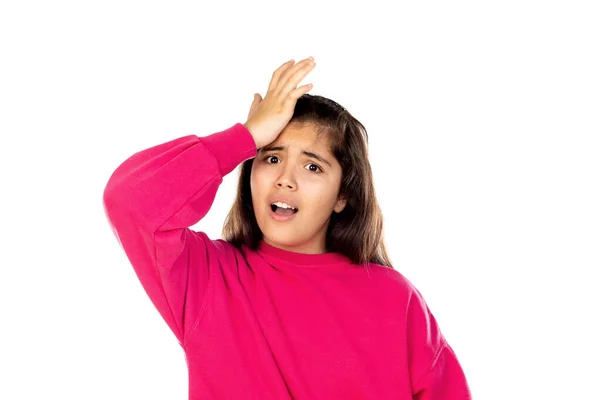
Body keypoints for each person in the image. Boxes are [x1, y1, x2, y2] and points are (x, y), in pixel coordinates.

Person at [102, 56, 472, 399]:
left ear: (342, 195)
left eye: (312, 167)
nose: (285, 179)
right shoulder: (207, 278)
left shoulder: (396, 299)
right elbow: (130, 200)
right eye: (272, 157)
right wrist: (244, 137)